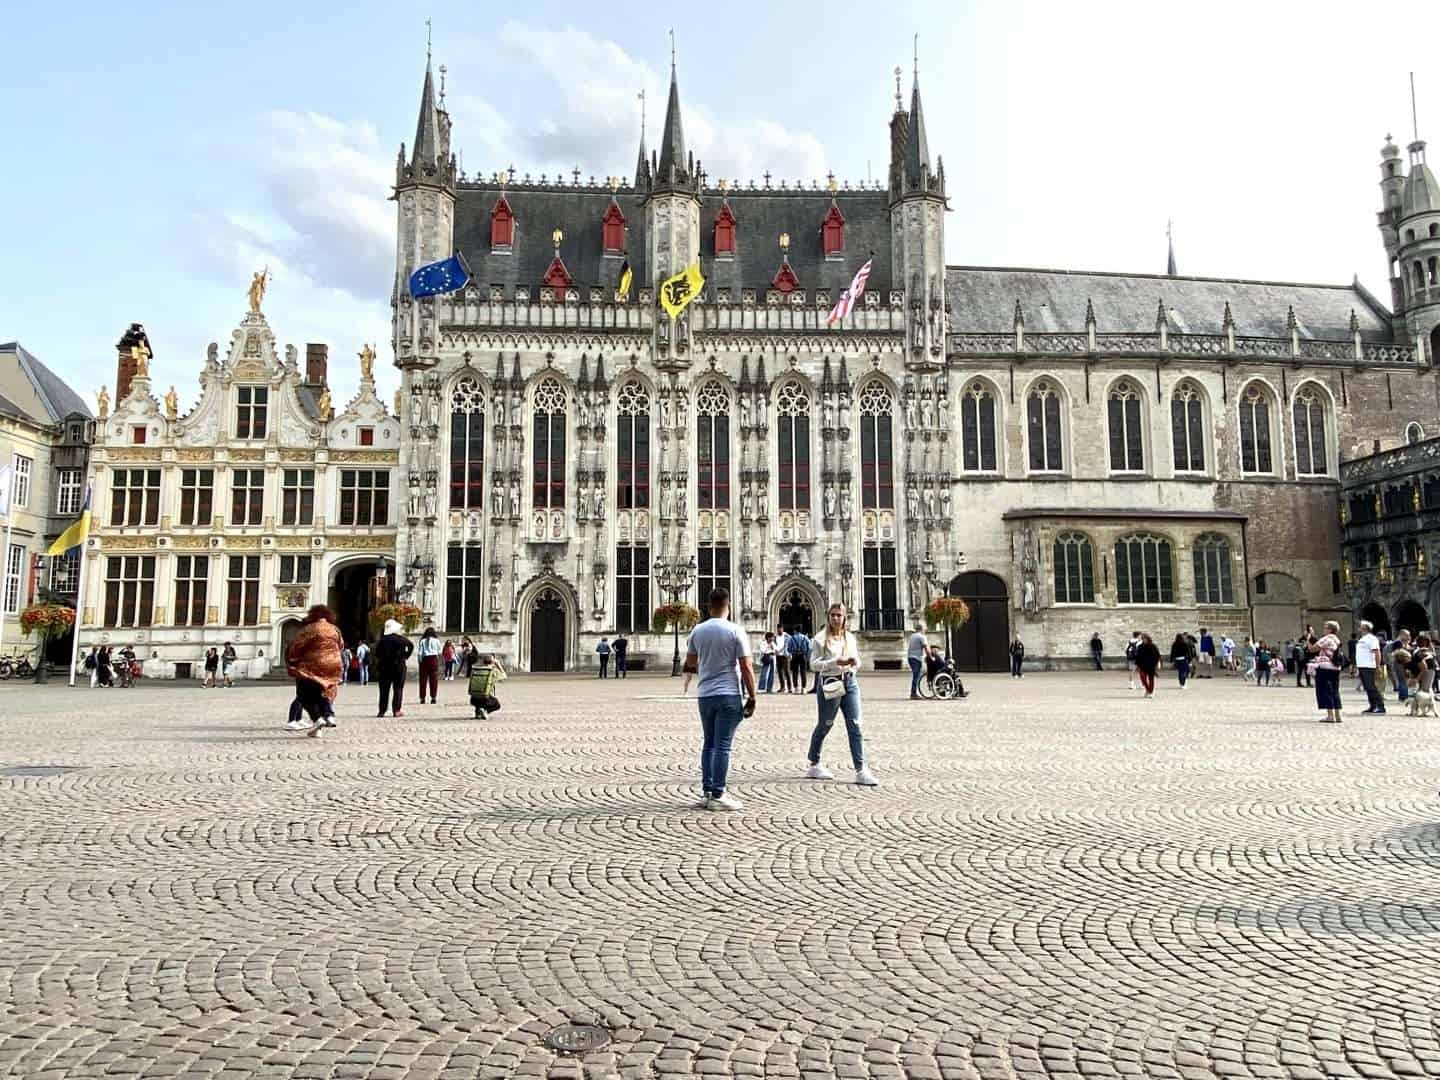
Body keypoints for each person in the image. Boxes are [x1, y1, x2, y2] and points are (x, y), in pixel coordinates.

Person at [684, 588, 758, 811]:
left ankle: (707, 792)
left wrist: (708, 665)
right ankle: (718, 793)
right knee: (723, 745)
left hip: (705, 695)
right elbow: (746, 666)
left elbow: (690, 663)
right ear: (729, 605)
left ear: (709, 607)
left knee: (709, 744)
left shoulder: (697, 631)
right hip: (728, 693)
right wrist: (752, 696)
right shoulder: (736, 630)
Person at [805, 603, 879, 786]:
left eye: (839, 615)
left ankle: (861, 770)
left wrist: (854, 664)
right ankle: (814, 763)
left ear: (845, 617)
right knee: (825, 724)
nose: (836, 618)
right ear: (828, 617)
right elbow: (813, 665)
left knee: (855, 724)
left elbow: (857, 660)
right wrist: (835, 662)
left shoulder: (850, 638)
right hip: (831, 682)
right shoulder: (820, 639)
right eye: (833, 615)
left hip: (850, 682)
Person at [285, 604, 343, 737]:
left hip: (313, 665)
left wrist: (293, 661)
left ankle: (317, 718)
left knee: (303, 694)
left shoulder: (309, 629)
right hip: (333, 664)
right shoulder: (334, 629)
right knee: (323, 691)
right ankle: (328, 716)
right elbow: (341, 645)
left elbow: (296, 647)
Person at [373, 619, 414, 717]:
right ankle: (396, 710)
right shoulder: (401, 639)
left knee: (384, 690)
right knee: (398, 689)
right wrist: (406, 656)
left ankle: (382, 711)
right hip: (398, 666)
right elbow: (411, 645)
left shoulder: (382, 640)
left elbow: (376, 653)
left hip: (384, 668)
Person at [1313, 620, 1344, 723]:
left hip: (1325, 667)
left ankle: (1330, 716)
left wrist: (1309, 638)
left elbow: (1313, 649)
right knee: (1335, 691)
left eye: (1325, 627)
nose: (1323, 629)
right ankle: (1338, 715)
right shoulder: (1337, 639)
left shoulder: (1326, 639)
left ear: (1330, 629)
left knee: (1326, 691)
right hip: (1336, 667)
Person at [1355, 619, 1386, 714]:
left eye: (1360, 627)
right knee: (1367, 687)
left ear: (1365, 628)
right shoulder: (1362, 639)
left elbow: (1377, 652)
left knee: (1371, 687)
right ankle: (1372, 706)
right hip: (1362, 666)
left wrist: (1378, 666)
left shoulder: (1371, 639)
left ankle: (1380, 706)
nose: (1358, 628)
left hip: (1369, 666)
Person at [468, 654, 507, 719]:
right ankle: (485, 711)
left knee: (479, 693)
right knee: (497, 704)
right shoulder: (493, 671)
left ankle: (478, 712)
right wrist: (498, 665)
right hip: (485, 698)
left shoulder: (476, 670)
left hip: (473, 699)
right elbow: (504, 676)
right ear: (493, 662)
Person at [416, 627, 442, 704]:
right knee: (434, 680)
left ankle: (422, 698)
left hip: (425, 659)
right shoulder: (437, 640)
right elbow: (439, 651)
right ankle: (433, 697)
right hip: (433, 659)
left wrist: (419, 661)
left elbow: (420, 653)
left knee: (423, 680)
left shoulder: (422, 641)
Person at [1389, 629, 1412, 704]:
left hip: (1402, 663)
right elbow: (1397, 653)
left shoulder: (1403, 642)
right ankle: (1404, 697)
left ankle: (1402, 696)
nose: (1408, 636)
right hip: (1399, 664)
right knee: (1403, 680)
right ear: (1402, 634)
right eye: (1407, 635)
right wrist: (1407, 652)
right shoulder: (1398, 642)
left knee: (1403, 680)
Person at [1134, 633, 1160, 698]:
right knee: (1143, 678)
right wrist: (1137, 665)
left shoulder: (1153, 646)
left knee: (1151, 679)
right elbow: (1137, 656)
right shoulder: (1140, 647)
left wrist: (1156, 664)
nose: (1144, 640)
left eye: (1145, 639)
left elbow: (1157, 656)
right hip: (1142, 665)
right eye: (1143, 639)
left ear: (1148, 639)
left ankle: (1151, 692)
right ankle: (1148, 689)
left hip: (1151, 665)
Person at [907, 625, 929, 699]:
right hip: (916, 658)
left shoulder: (912, 636)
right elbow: (926, 647)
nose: (925, 630)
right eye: (924, 629)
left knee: (916, 675)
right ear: (921, 629)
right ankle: (913, 694)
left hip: (910, 657)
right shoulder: (921, 636)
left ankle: (913, 693)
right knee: (916, 676)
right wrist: (930, 656)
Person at [774, 626, 792, 693]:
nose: (779, 631)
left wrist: (790, 653)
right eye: (778, 630)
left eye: (780, 629)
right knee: (780, 672)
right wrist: (775, 651)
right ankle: (782, 687)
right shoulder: (775, 637)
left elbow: (791, 645)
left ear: (782, 629)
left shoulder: (787, 636)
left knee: (787, 671)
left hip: (785, 655)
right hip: (778, 656)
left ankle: (789, 688)